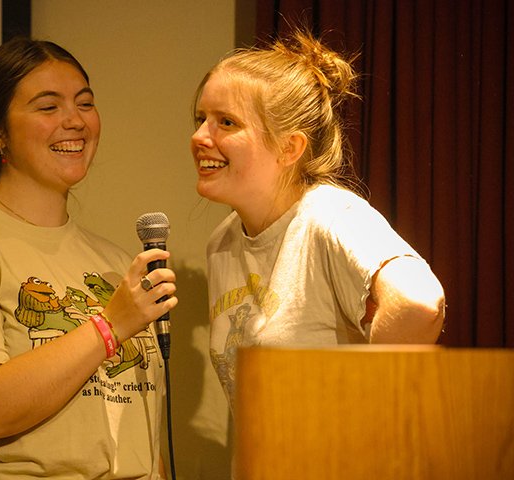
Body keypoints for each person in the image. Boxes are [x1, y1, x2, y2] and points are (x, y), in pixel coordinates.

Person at [0, 37, 177, 479]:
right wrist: (109, 328)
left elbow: (140, 428)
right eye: (48, 107)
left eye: (84, 103)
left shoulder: (111, 261)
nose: (74, 121)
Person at [190, 29, 446, 412]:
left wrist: (368, 402)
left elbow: (419, 303)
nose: (199, 137)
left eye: (226, 122)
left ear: (289, 147)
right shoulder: (222, 242)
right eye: (200, 118)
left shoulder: (330, 216)